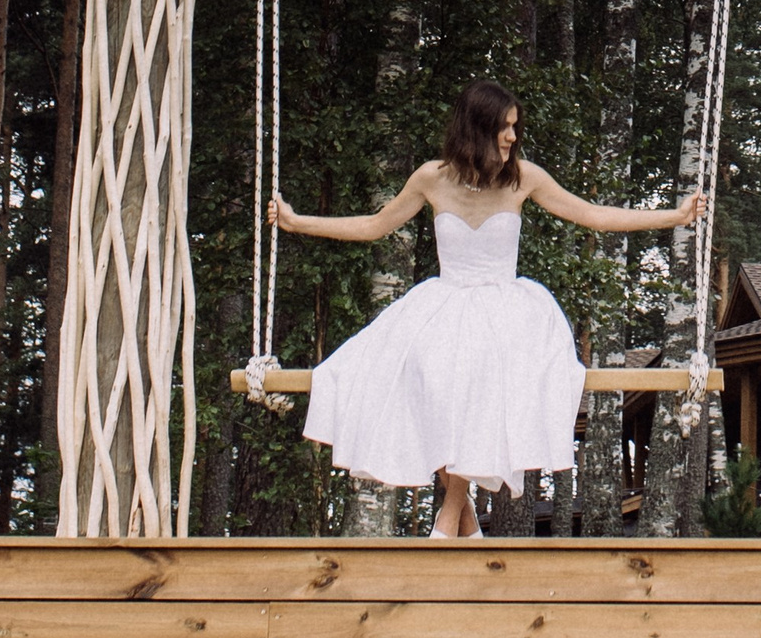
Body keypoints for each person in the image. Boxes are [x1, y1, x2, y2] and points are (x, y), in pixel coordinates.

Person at [269, 78, 705, 539]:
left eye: (515, 128)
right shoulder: (430, 178)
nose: (513, 137)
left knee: (473, 379)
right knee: (422, 382)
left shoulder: (523, 177)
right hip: (445, 302)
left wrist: (673, 217)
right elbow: (376, 225)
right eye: (505, 128)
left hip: (506, 307)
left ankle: (449, 512)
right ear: (477, 128)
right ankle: (464, 515)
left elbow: (593, 214)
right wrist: (298, 223)